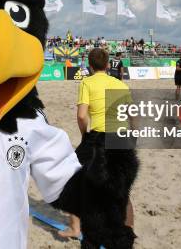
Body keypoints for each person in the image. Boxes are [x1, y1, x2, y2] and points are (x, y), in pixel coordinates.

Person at [58, 48, 135, 239]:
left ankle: (76, 229)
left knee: (73, 177)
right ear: (108, 65)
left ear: (90, 66)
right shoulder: (120, 85)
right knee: (122, 189)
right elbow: (133, 116)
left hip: (98, 136)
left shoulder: (87, 82)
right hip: (121, 136)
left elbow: (82, 115)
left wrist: (85, 134)